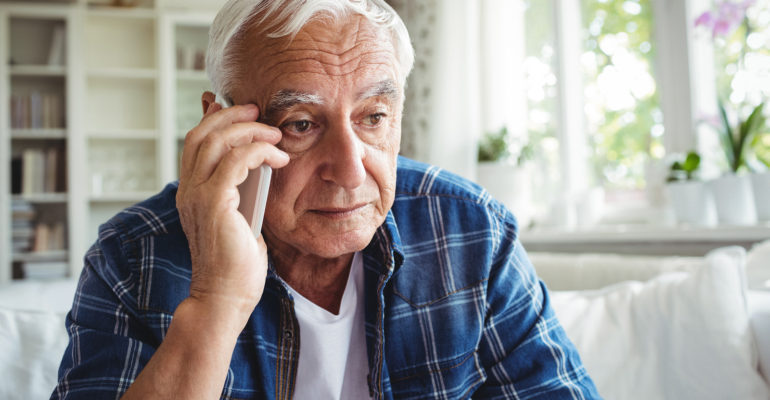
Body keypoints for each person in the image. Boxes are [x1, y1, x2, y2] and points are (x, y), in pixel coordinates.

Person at [53, 0, 600, 398]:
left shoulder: (470, 230)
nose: (349, 167)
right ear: (221, 125)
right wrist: (216, 302)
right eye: (301, 123)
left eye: (374, 117)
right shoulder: (131, 255)